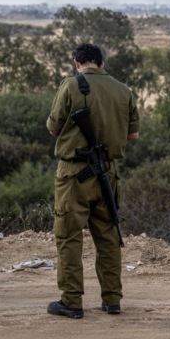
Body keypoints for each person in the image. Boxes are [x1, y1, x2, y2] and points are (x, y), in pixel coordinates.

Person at [45, 42, 139, 319]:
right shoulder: (123, 90)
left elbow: (52, 128)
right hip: (107, 174)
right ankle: (112, 300)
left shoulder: (72, 85)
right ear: (102, 62)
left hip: (74, 175)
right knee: (109, 238)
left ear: (77, 63)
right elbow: (132, 135)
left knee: (68, 237)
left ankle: (72, 301)